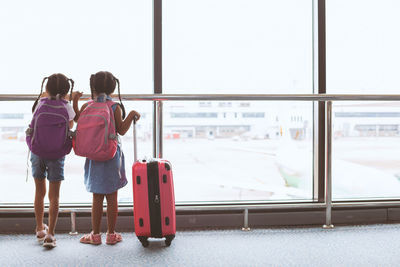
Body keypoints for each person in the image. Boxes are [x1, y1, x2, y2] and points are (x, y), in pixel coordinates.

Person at [73, 71, 140, 245]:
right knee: (112, 196)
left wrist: (74, 101)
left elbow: (77, 120)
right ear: (113, 88)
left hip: (94, 156)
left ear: (93, 87)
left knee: (96, 197)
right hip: (111, 156)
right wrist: (132, 113)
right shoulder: (115, 107)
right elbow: (122, 130)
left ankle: (95, 235)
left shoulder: (87, 105)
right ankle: (111, 234)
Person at [29, 73, 77, 248]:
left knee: (39, 192)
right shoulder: (67, 106)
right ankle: (50, 235)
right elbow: (71, 125)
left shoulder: (41, 103)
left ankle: (40, 228)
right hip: (57, 155)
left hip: (38, 152)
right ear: (66, 91)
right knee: (54, 196)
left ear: (46, 89)